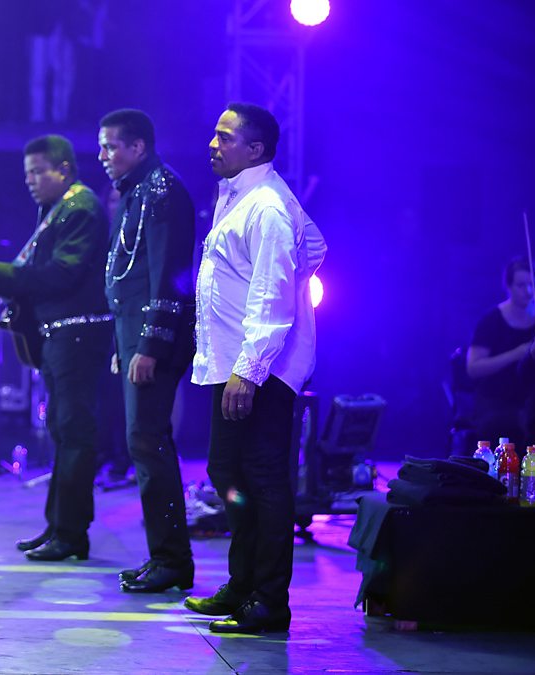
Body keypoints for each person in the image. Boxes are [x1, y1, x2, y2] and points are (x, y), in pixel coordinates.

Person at [183, 102, 326, 633]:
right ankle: (242, 586)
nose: (213, 144)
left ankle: (268, 601)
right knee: (228, 473)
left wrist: (251, 367)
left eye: (225, 137)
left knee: (262, 478)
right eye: (215, 134)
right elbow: (315, 245)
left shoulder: (266, 205)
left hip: (258, 369)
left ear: (256, 149)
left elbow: (271, 293)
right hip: (233, 361)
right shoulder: (246, 196)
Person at [0, 134, 112, 562]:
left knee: (74, 432)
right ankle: (58, 527)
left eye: (37, 172)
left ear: (63, 170)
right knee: (62, 432)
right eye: (26, 173)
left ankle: (71, 534)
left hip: (77, 333)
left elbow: (61, 274)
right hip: (61, 333)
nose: (29, 180)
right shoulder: (59, 207)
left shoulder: (80, 207)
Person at [98, 108, 197, 593]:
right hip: (134, 335)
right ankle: (163, 556)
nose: (103, 156)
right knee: (142, 441)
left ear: (138, 147)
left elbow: (167, 276)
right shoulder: (138, 190)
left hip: (152, 338)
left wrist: (149, 345)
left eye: (111, 146)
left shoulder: (160, 191)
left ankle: (172, 561)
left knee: (149, 442)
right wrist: (127, 344)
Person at [466, 258, 535, 443]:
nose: (528, 291)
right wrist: (516, 354)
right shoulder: (491, 320)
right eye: (521, 285)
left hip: (534, 399)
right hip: (495, 399)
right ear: (508, 286)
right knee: (509, 426)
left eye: (532, 284)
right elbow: (473, 368)